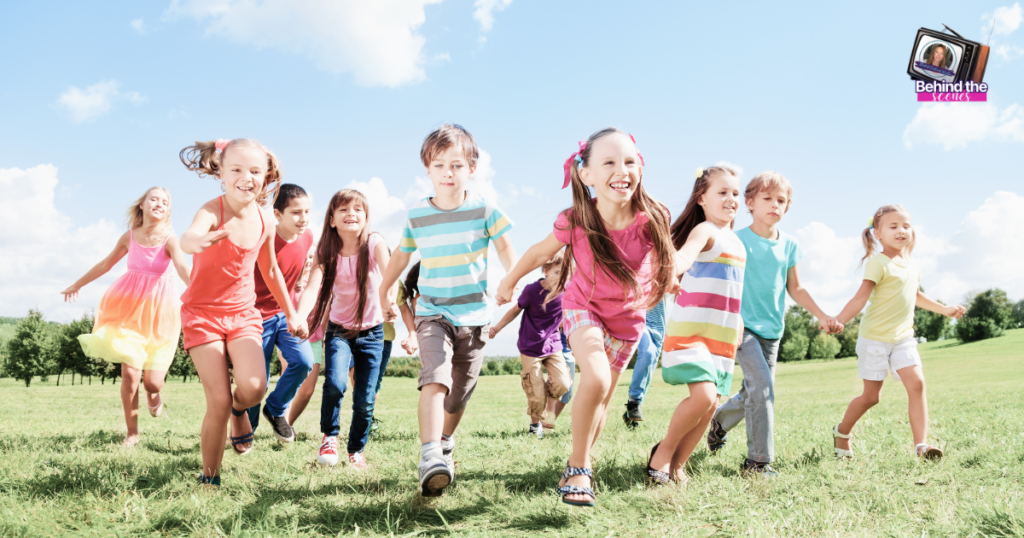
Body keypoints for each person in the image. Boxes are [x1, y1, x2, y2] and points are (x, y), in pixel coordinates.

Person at [496, 128, 674, 507]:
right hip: (583, 309)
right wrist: (510, 280)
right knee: (592, 376)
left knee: (602, 400)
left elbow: (665, 260)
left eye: (628, 161)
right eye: (608, 162)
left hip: (627, 321)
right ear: (586, 174)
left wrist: (669, 280)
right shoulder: (577, 218)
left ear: (640, 168)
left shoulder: (651, 218)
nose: (621, 170)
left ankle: (582, 459)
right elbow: (537, 252)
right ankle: (578, 467)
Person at [380, 124, 517, 497]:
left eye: (456, 165)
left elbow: (505, 247)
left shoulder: (485, 210)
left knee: (459, 394)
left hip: (474, 316)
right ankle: (429, 457)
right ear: (427, 169)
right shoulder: (417, 216)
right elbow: (400, 255)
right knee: (434, 378)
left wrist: (511, 278)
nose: (447, 173)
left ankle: (444, 441)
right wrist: (384, 288)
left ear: (472, 168)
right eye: (439, 165)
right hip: (432, 313)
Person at [178, 138, 305, 486]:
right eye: (236, 169)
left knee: (253, 387)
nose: (245, 177)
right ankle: (210, 477)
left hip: (243, 315)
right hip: (202, 315)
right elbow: (188, 237)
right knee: (217, 399)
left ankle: (240, 411)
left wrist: (292, 313)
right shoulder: (212, 211)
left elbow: (271, 272)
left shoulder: (265, 220)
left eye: (254, 171)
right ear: (220, 171)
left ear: (266, 177)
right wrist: (194, 242)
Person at [707, 172, 840, 477]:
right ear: (750, 203)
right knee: (762, 389)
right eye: (767, 198)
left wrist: (821, 315)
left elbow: (796, 288)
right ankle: (757, 462)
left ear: (787, 207)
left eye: (781, 200)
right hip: (742, 328)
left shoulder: (790, 245)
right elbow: (723, 283)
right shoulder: (737, 240)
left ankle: (719, 422)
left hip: (773, 331)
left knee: (755, 390)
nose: (774, 205)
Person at [831, 204, 964, 460]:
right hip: (874, 340)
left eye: (906, 226)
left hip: (903, 338)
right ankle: (842, 431)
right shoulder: (877, 264)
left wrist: (945, 310)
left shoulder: (913, 266)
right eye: (893, 226)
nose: (901, 230)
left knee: (917, 383)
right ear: (878, 234)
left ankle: (921, 446)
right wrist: (841, 320)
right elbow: (860, 299)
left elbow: (915, 296)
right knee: (872, 397)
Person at [62, 187, 190, 447]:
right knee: (130, 373)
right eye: (153, 199)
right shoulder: (129, 237)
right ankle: (132, 433)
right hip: (129, 313)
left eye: (165, 202)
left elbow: (182, 266)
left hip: (161, 316)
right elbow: (105, 264)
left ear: (168, 211)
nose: (159, 203)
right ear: (141, 205)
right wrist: (77, 284)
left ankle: (153, 395)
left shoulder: (171, 240)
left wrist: (199, 293)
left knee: (153, 382)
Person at [647, 166, 745, 486]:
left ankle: (678, 464)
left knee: (712, 403)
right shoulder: (706, 230)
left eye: (735, 193)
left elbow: (732, 289)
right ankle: (662, 454)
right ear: (702, 198)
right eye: (722, 192)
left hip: (722, 335)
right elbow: (683, 257)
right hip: (692, 331)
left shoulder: (739, 243)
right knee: (702, 396)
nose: (731, 199)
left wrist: (739, 320)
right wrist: (670, 272)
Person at [295, 189, 393, 469]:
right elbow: (313, 286)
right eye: (343, 210)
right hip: (338, 331)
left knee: (365, 398)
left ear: (366, 217)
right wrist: (301, 317)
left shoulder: (374, 242)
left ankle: (356, 450)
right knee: (336, 383)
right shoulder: (326, 251)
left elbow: (390, 274)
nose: (352, 214)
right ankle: (329, 436)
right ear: (332, 219)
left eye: (358, 209)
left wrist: (389, 301)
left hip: (373, 333)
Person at [244, 184, 315, 443]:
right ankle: (246, 430)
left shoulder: (307, 237)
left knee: (304, 361)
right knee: (256, 381)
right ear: (277, 214)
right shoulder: (264, 237)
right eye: (296, 213)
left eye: (307, 211)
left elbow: (296, 275)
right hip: (255, 317)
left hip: (285, 314)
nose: (303, 218)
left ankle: (275, 409)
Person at [489, 251, 571, 439]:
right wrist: (497, 328)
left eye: (565, 273)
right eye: (558, 272)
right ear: (546, 271)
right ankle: (535, 425)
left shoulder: (566, 291)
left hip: (553, 345)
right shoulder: (532, 291)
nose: (562, 277)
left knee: (563, 383)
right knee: (536, 391)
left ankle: (546, 406)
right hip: (530, 347)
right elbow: (515, 310)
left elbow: (568, 315)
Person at [622, 296, 667, 429]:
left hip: (659, 326)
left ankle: (633, 408)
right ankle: (634, 402)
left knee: (650, 364)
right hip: (639, 319)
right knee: (647, 353)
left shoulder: (665, 274)